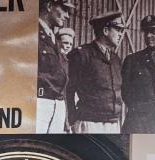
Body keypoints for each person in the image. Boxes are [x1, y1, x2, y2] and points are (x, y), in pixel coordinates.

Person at [66, 11, 125, 134]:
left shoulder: (115, 59)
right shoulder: (82, 54)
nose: (121, 34)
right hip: (89, 123)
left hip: (113, 123)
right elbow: (68, 89)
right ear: (105, 31)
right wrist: (71, 119)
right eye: (118, 30)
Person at [36, 0, 74, 133]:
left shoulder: (52, 37)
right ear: (49, 6)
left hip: (57, 104)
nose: (67, 16)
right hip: (40, 103)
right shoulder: (33, 33)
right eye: (64, 9)